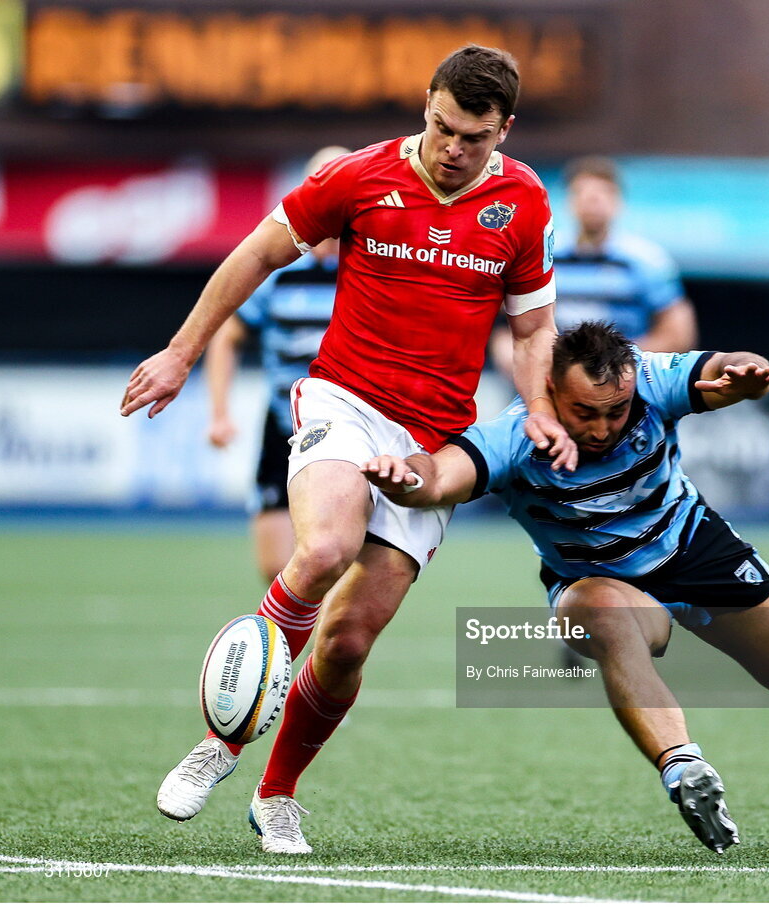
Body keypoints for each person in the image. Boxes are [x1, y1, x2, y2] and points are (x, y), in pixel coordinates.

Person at [122, 45, 577, 854]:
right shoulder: (360, 175)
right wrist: (182, 352)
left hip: (437, 439)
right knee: (325, 546)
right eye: (441, 126)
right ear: (426, 105)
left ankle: (278, 793)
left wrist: (539, 406)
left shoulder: (526, 202)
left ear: (503, 129)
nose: (451, 148)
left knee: (348, 640)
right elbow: (257, 251)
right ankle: (219, 745)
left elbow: (533, 327)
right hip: (345, 399)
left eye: (473, 137)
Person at [363, 321, 769, 854]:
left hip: (693, 549)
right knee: (604, 619)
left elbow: (721, 368)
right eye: (585, 412)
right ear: (550, 389)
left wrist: (748, 372)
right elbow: (437, 476)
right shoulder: (513, 436)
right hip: (596, 580)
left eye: (617, 412)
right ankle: (682, 767)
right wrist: (405, 478)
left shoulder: (650, 377)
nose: (604, 429)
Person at [205, 146, 350, 582]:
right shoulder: (280, 269)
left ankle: (326, 649)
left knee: (333, 560)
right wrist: (218, 413)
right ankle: (286, 648)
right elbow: (226, 337)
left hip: (350, 433)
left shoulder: (372, 266)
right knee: (275, 567)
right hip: (283, 429)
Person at [490, 155, 697, 380]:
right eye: (583, 193)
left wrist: (618, 363)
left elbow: (678, 333)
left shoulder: (647, 260)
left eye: (602, 193)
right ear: (568, 200)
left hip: (623, 383)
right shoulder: (541, 253)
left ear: (619, 202)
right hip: (548, 380)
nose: (592, 201)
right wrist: (520, 364)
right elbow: (506, 323)